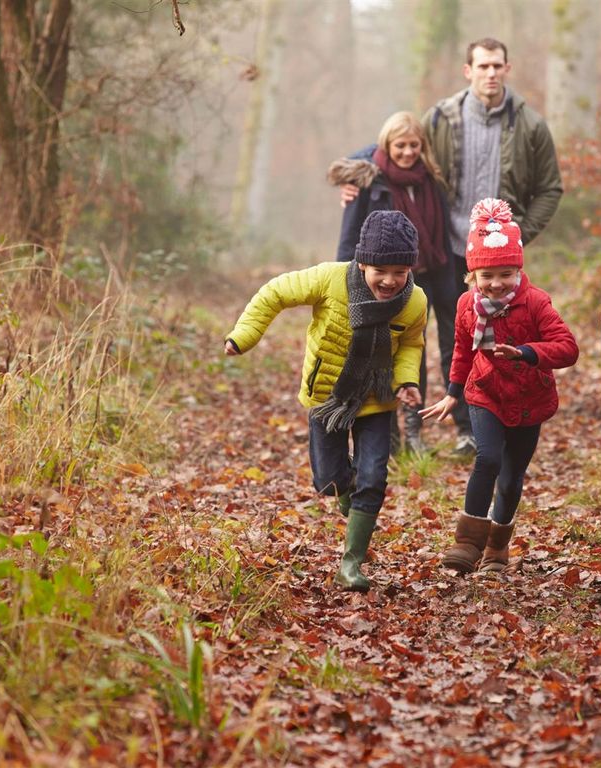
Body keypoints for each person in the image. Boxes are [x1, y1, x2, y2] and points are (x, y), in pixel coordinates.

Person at [342, 38, 564, 458]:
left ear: (507, 68)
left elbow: (551, 187)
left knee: (477, 341)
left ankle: (473, 428)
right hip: (441, 250)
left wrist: (518, 236)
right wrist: (355, 173)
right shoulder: (441, 118)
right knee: (417, 337)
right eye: (482, 66)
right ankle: (413, 428)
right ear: (469, 71)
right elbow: (394, 144)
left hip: (494, 259)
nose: (491, 73)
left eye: (497, 65)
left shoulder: (530, 125)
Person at [224, 210, 428, 592]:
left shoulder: (414, 301)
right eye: (381, 269)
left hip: (377, 400)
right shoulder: (329, 279)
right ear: (363, 261)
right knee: (330, 480)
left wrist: (406, 382)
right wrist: (244, 335)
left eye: (400, 271)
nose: (390, 280)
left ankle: (350, 565)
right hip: (327, 398)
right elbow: (275, 293)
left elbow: (411, 345)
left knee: (374, 477)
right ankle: (355, 507)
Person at [420, 198, 578, 574]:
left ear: (518, 270)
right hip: (484, 392)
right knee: (487, 458)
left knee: (510, 479)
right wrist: (453, 393)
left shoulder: (536, 303)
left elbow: (567, 348)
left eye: (506, 274)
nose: (495, 284)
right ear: (472, 276)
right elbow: (461, 349)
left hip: (528, 400)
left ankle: (496, 548)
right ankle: (467, 543)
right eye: (486, 276)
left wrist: (526, 352)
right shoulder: (465, 306)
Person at [327, 111, 465, 455]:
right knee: (387, 354)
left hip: (432, 275)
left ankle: (415, 430)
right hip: (387, 282)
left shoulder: (430, 179)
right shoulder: (368, 180)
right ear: (387, 145)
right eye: (400, 145)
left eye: (413, 145)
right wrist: (347, 282)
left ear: (422, 146)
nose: (407, 152)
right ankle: (389, 437)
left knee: (420, 350)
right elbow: (349, 238)